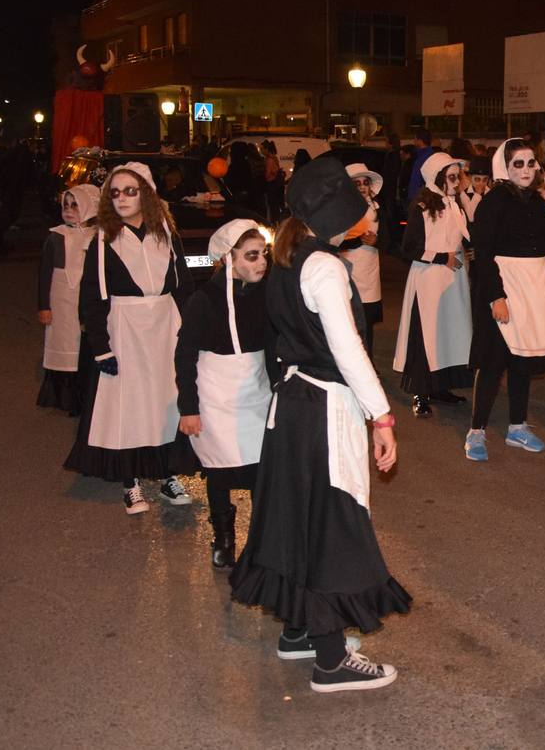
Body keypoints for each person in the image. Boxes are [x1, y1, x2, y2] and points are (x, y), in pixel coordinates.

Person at [230, 157, 409, 692]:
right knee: (333, 527)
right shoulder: (325, 267)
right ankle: (331, 659)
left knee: (298, 521)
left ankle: (299, 632)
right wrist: (382, 415)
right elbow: (348, 351)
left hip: (292, 407)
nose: (369, 209)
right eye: (361, 204)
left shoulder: (289, 257)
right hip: (322, 409)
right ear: (338, 213)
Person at [64, 162, 198, 514]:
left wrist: (192, 334)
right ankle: (131, 481)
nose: (121, 198)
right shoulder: (104, 239)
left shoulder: (166, 234)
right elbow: (91, 298)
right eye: (115, 192)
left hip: (165, 327)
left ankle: (168, 474)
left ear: (147, 195)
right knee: (130, 407)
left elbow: (184, 286)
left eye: (130, 191)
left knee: (166, 403)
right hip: (125, 329)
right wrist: (101, 349)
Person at [175, 220, 273, 568]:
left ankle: (261, 540)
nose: (261, 262)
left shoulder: (265, 292)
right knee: (219, 469)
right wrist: (188, 407)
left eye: (263, 254)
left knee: (263, 469)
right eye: (251, 255)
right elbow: (184, 354)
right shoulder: (204, 300)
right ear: (228, 259)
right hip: (215, 396)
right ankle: (224, 537)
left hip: (257, 393)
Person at [465, 138, 545, 462]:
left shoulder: (538, 202)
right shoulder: (492, 202)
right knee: (493, 364)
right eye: (517, 163)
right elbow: (484, 253)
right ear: (504, 167)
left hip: (535, 290)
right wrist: (496, 296)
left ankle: (517, 427)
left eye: (530, 163)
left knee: (522, 361)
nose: (525, 169)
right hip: (503, 288)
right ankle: (476, 430)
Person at [394, 152, 473, 418]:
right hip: (428, 280)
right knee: (425, 335)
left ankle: (441, 387)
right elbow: (409, 248)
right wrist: (442, 257)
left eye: (457, 176)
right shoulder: (422, 206)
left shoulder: (455, 204)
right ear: (437, 177)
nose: (457, 181)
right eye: (451, 177)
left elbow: (464, 235)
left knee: (448, 334)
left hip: (453, 280)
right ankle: (421, 392)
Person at [37, 184, 102, 415]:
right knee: (63, 340)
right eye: (65, 205)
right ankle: (62, 393)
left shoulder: (99, 236)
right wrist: (44, 306)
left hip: (86, 298)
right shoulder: (56, 236)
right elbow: (44, 274)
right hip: (61, 298)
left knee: (83, 342)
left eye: (75, 205)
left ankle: (84, 392)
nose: (69, 210)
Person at [341, 163, 387, 360]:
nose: (361, 187)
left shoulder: (377, 208)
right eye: (356, 183)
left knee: (367, 320)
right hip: (349, 270)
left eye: (364, 182)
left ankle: (367, 361)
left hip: (370, 271)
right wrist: (358, 240)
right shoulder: (342, 210)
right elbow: (336, 241)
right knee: (348, 320)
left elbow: (389, 239)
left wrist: (377, 241)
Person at [405, 128, 436, 204]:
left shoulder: (426, 157)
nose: (414, 141)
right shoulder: (420, 155)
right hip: (417, 196)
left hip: (421, 198)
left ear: (420, 140)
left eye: (415, 138)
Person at [459, 155, 491, 222]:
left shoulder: (491, 193)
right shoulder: (464, 194)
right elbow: (470, 217)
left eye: (485, 180)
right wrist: (477, 195)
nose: (481, 183)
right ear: (470, 178)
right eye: (477, 179)